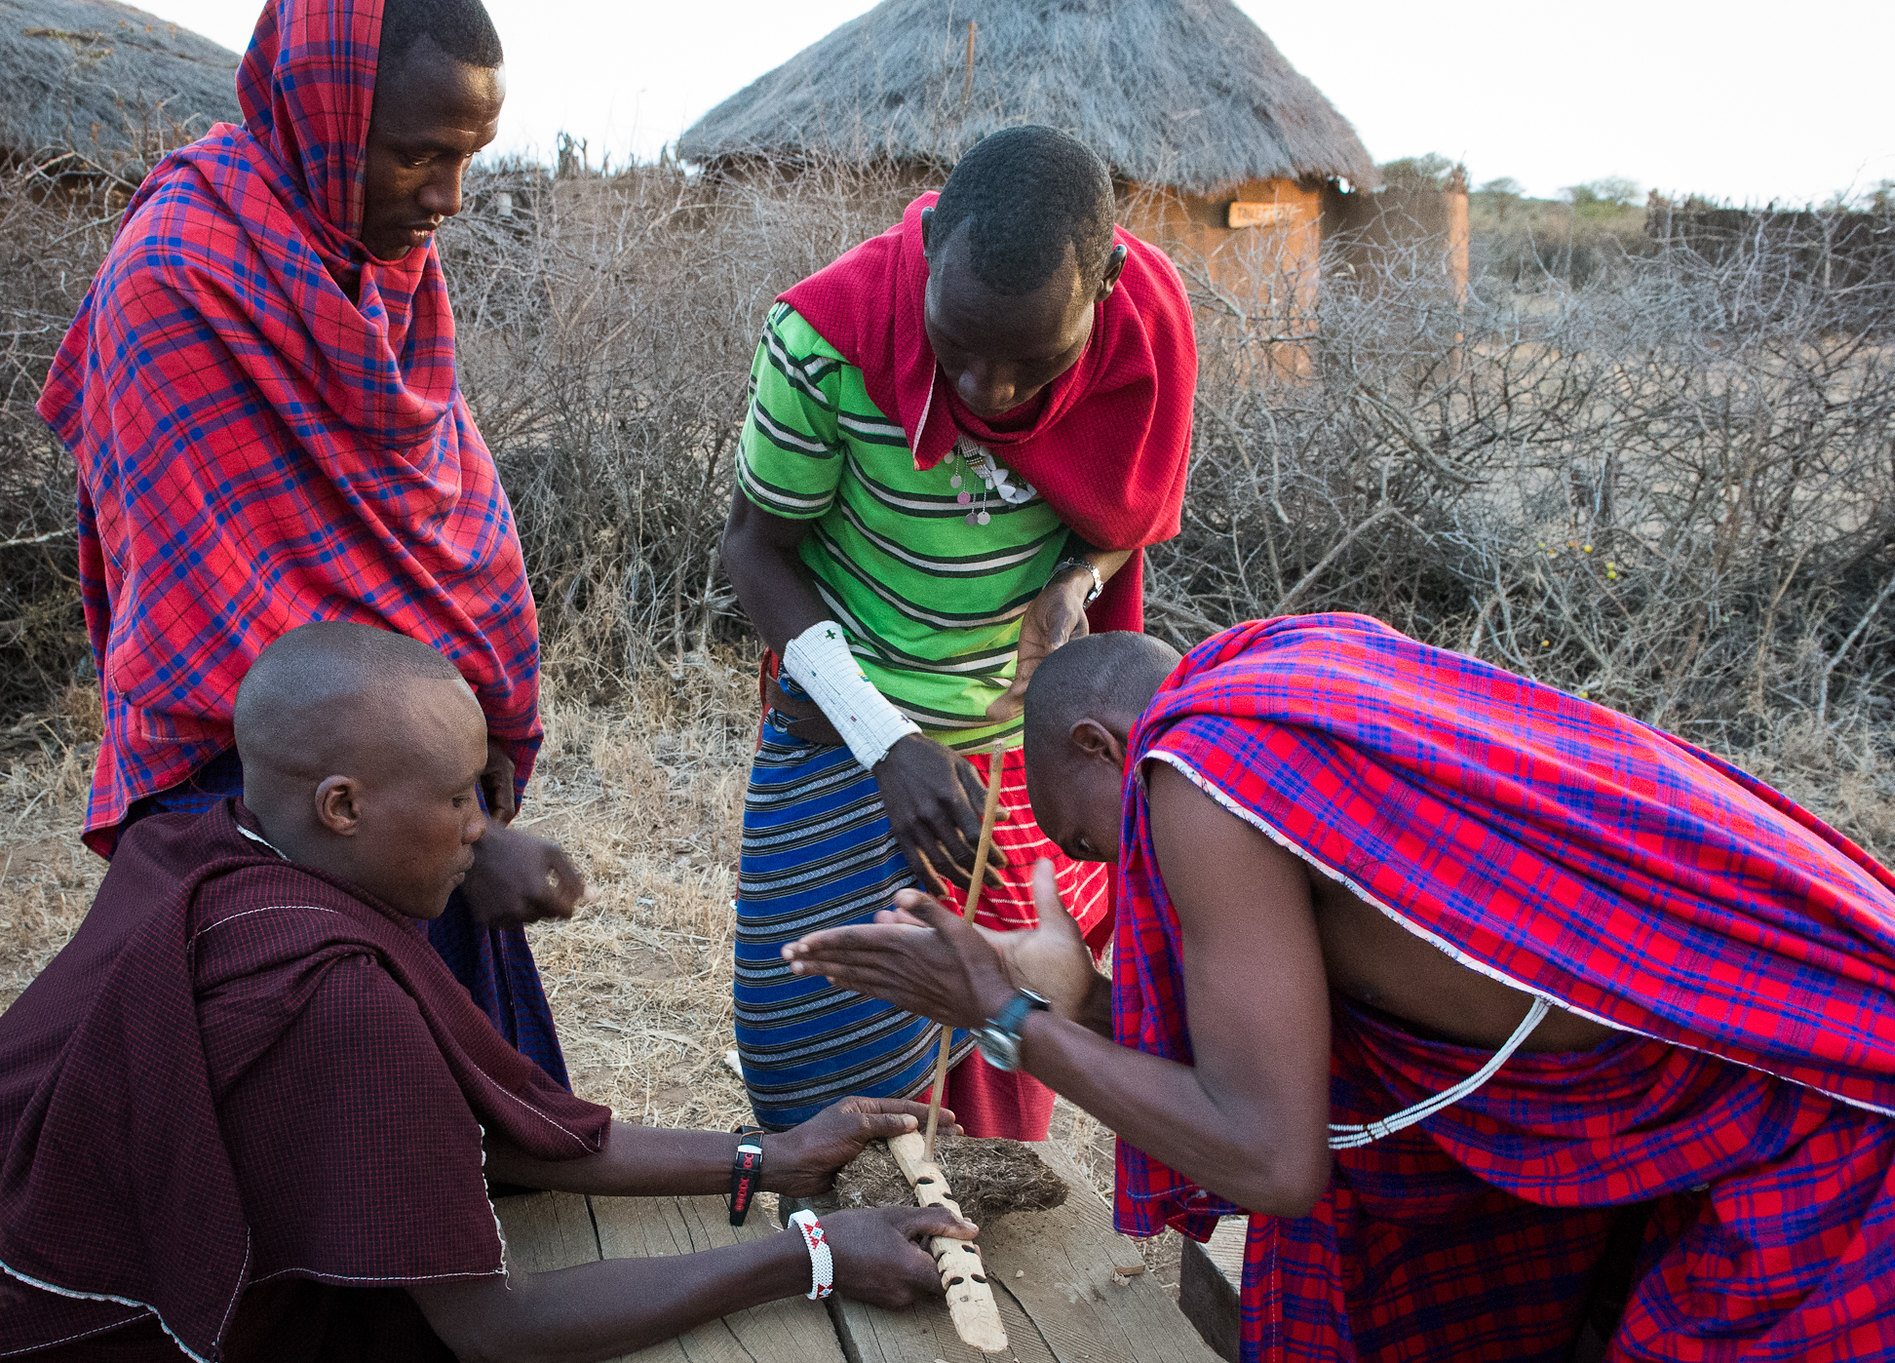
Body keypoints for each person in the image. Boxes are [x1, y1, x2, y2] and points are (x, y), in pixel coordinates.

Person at [785, 615, 1895, 1362]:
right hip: (1840, 1057)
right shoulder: (1286, 665)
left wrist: (1004, 1019)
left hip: (1868, 1150)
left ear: (1102, 746)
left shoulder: (1199, 767)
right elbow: (1299, 1054)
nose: (1123, 878)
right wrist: (1069, 1001)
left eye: (1100, 845)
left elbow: (1274, 1161)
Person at [0, 623, 972, 1362]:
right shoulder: (332, 994)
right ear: (342, 806)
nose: (482, 830)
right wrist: (808, 1254)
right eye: (463, 796)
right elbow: (491, 1324)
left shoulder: (196, 845)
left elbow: (479, 1133)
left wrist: (772, 1156)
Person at [34, 0, 581, 1081]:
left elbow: (436, 524)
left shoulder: (380, 267)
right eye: (417, 155)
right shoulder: (180, 280)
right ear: (324, 119)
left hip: (404, 797)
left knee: (481, 1158)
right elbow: (222, 638)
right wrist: (447, 832)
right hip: (257, 812)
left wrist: (450, 807)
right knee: (349, 1168)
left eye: (468, 158)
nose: (448, 199)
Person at [719, 124, 1197, 1137]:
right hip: (843, 726)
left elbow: (1125, 513)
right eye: (958, 348)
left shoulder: (1141, 331)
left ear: (1104, 285)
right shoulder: (824, 338)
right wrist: (886, 740)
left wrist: (1081, 577)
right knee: (813, 1047)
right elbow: (755, 550)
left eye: (1034, 360)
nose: (992, 391)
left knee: (1008, 1048)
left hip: (1019, 743)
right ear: (928, 247)